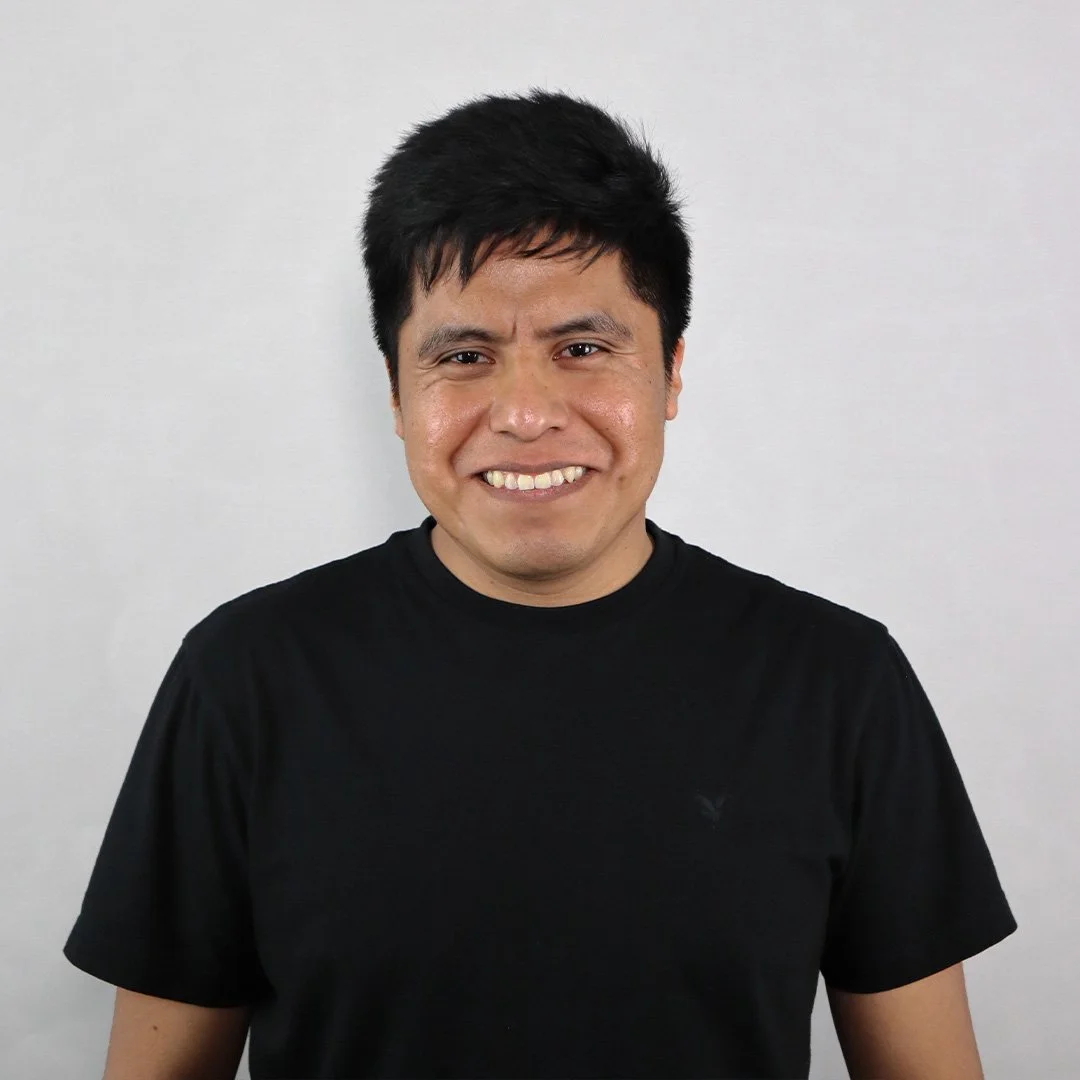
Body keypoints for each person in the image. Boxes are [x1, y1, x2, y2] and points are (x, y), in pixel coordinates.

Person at [64, 89, 1017, 1080]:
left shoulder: (836, 682)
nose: (525, 414)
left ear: (671, 373)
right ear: (395, 391)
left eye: (583, 349)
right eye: (466, 357)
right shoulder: (249, 679)